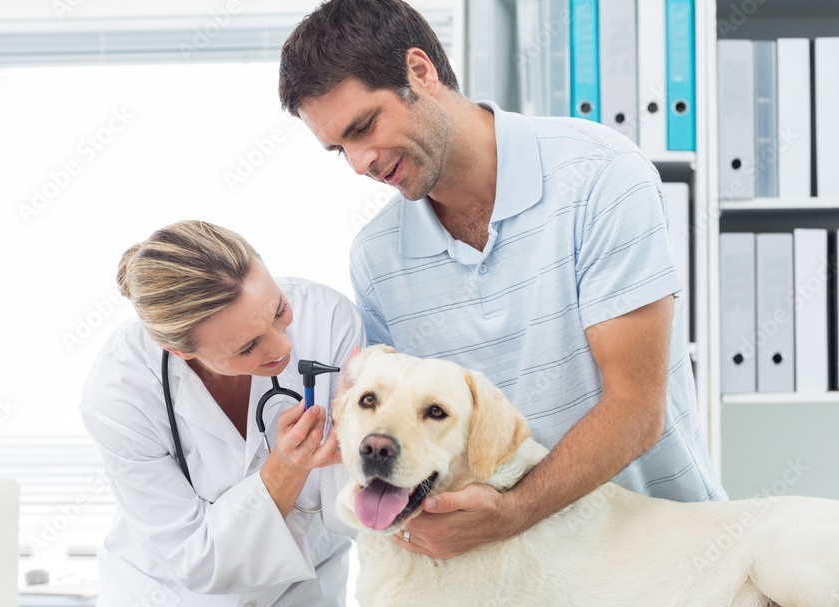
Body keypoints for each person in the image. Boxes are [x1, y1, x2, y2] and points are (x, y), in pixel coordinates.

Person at [278, 0, 726, 561]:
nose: (360, 162)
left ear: (420, 71)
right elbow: (421, 434)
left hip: (663, 556)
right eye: (339, 149)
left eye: (364, 126)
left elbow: (636, 411)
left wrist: (511, 515)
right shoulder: (376, 257)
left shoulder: (600, 176)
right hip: (509, 579)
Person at [80, 220, 364, 607]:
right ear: (180, 351)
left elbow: (353, 508)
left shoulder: (328, 318)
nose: (283, 344)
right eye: (249, 346)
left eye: (279, 311)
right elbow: (198, 558)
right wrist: (285, 471)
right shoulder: (121, 391)